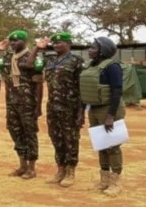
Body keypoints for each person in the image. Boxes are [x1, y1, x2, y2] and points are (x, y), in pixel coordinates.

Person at [0, 30, 44, 179]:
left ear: (24, 41)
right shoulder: (7, 57)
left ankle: (31, 168)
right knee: (16, 133)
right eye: (11, 41)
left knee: (29, 134)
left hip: (27, 103)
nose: (13, 43)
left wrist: (38, 106)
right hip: (12, 102)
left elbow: (39, 83)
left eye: (16, 40)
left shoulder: (33, 57)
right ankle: (22, 165)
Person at [81, 36, 125, 197]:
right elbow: (85, 90)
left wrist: (111, 116)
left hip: (109, 110)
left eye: (93, 47)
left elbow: (117, 91)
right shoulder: (90, 66)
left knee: (113, 146)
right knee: (101, 145)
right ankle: (104, 180)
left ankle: (116, 182)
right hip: (93, 109)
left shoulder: (112, 67)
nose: (90, 50)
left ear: (102, 51)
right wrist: (82, 112)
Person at [42, 32, 84, 187]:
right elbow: (31, 64)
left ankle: (71, 171)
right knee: (56, 138)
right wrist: (38, 48)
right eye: (54, 43)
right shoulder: (50, 60)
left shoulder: (76, 61)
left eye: (59, 42)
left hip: (70, 107)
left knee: (70, 139)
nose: (56, 45)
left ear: (69, 44)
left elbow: (82, 87)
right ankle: (60, 169)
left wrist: (81, 112)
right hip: (53, 106)